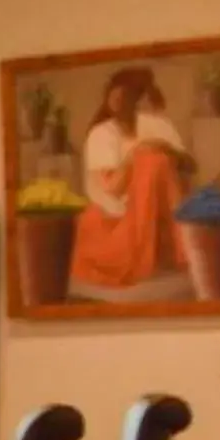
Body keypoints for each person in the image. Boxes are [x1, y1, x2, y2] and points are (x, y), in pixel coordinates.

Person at [69, 66, 191, 290]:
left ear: (137, 98)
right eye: (114, 94)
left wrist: (161, 147)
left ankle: (170, 246)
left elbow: (188, 166)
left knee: (156, 160)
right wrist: (137, 153)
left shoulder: (155, 125)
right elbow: (112, 188)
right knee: (148, 159)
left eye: (126, 95)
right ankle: (142, 253)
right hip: (114, 217)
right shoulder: (102, 134)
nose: (118, 100)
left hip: (159, 209)